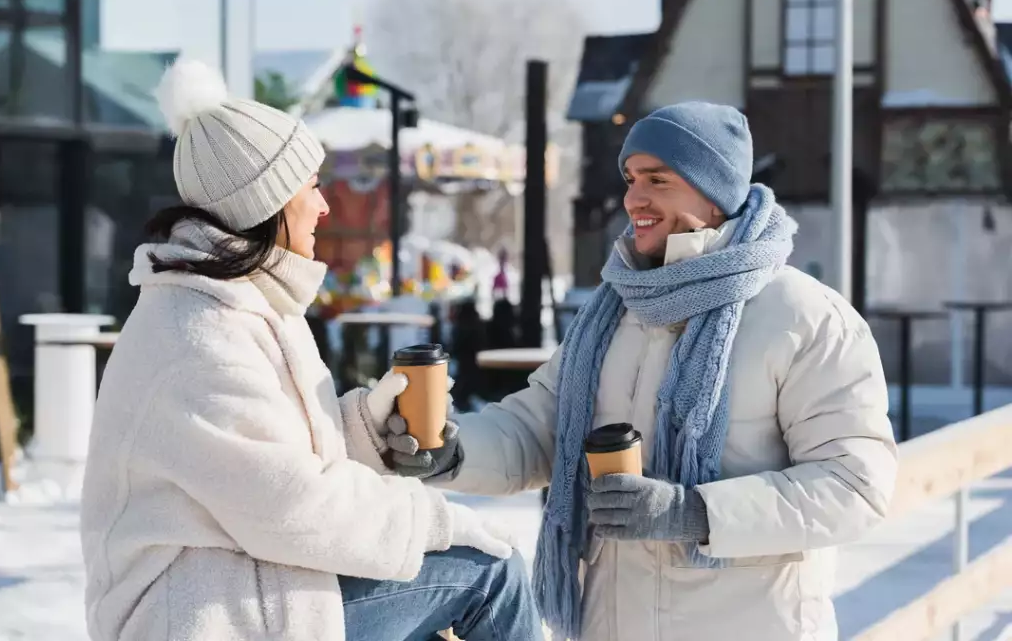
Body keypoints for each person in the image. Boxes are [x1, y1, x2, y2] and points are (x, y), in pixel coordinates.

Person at [375, 102, 898, 640]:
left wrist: (694, 512)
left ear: (714, 193)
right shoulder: (613, 312)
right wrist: (453, 450)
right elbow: (539, 430)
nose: (633, 198)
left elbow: (854, 486)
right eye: (630, 178)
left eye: (658, 179)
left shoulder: (804, 317)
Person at [79, 58, 544, 641]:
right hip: (201, 617)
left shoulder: (243, 302)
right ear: (267, 203)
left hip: (246, 585)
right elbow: (289, 505)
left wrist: (366, 430)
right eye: (312, 187)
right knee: (490, 575)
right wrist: (435, 521)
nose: (325, 206)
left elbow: (269, 463)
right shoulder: (196, 335)